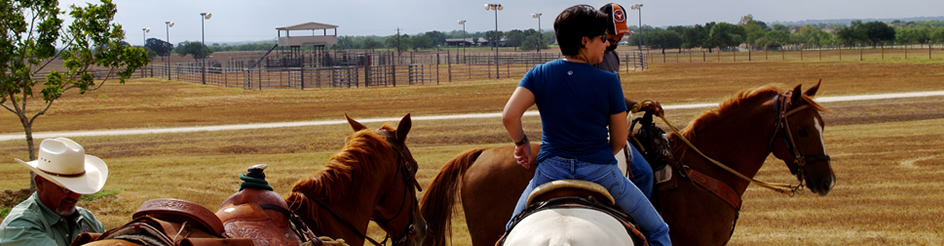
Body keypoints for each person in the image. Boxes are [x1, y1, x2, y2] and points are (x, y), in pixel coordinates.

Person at [502, 5, 670, 246]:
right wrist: (595, 157)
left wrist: (522, 143)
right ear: (584, 41)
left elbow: (509, 116)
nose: (606, 44)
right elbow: (621, 141)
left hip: (549, 171)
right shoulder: (609, 81)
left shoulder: (538, 74)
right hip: (601, 172)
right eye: (601, 39)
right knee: (658, 231)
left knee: (509, 230)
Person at [593, 2, 663, 199]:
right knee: (643, 174)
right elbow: (601, 99)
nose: (618, 37)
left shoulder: (613, 56)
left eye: (620, 32)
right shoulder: (592, 58)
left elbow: (616, 96)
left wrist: (639, 105)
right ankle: (636, 224)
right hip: (602, 130)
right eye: (613, 32)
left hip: (616, 126)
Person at [1, 137, 108, 246]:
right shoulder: (19, 226)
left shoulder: (87, 219)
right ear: (40, 183)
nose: (74, 196)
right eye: (65, 189)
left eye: (78, 188)